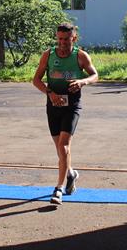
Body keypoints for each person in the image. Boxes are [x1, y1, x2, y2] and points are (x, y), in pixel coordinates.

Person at [32, 22, 98, 205]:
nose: (62, 43)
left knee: (64, 147)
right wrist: (50, 93)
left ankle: (58, 189)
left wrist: (83, 82)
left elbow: (95, 75)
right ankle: (70, 174)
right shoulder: (48, 55)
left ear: (74, 38)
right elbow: (36, 79)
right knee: (60, 150)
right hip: (53, 104)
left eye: (66, 39)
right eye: (59, 39)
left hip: (72, 105)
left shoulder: (80, 56)